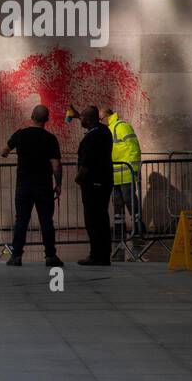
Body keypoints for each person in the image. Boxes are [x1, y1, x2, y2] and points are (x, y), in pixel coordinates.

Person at [1, 105, 64, 268]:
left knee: (21, 220)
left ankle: (16, 256)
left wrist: (9, 152)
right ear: (47, 120)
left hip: (24, 185)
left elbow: (5, 151)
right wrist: (58, 184)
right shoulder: (50, 139)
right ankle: (50, 256)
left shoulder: (20, 135)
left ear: (31, 116)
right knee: (46, 221)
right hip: (43, 186)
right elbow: (56, 165)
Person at [100, 105, 142, 252]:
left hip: (126, 174)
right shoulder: (109, 129)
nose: (100, 121)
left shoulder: (121, 126)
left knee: (130, 202)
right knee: (118, 206)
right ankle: (119, 232)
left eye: (100, 119)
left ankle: (138, 230)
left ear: (105, 117)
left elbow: (134, 149)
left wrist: (133, 171)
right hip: (115, 176)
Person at [75, 105, 114, 266]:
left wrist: (78, 178)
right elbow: (90, 120)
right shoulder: (104, 131)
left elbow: (87, 163)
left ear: (89, 120)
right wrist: (80, 115)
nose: (80, 120)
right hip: (105, 181)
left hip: (93, 183)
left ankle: (96, 255)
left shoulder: (91, 138)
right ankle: (104, 254)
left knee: (93, 220)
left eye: (82, 117)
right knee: (102, 218)